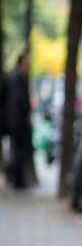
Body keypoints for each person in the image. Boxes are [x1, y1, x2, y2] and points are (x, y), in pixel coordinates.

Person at [4, 50, 37, 190]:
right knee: (19, 151)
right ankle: (16, 179)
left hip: (13, 120)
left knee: (17, 150)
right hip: (17, 121)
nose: (29, 64)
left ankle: (15, 178)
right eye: (27, 61)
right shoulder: (18, 78)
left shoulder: (11, 77)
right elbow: (20, 101)